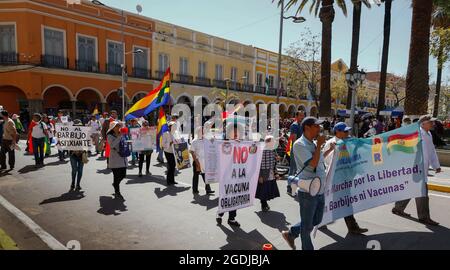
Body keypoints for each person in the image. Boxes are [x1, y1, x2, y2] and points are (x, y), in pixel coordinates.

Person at [282, 117, 326, 250]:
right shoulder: (299, 144)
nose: (319, 129)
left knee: (316, 220)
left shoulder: (312, 143)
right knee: (307, 228)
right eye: (316, 126)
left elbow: (319, 162)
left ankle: (291, 233)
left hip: (319, 189)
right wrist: (319, 145)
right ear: (307, 128)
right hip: (308, 192)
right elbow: (312, 164)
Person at [392, 115, 441, 226]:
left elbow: (431, 151)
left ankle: (398, 208)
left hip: (421, 169)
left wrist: (436, 165)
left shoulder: (428, 134)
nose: (433, 124)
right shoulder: (415, 134)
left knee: (412, 189)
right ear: (423, 123)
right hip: (415, 169)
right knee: (423, 193)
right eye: (430, 122)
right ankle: (424, 217)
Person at [323, 122, 369, 234]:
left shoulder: (348, 142)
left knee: (345, 202)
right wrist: (335, 150)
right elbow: (326, 161)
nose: (348, 133)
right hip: (335, 179)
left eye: (348, 131)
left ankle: (352, 226)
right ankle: (320, 221)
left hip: (346, 178)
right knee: (332, 202)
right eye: (345, 131)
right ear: (338, 132)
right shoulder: (331, 143)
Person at [216, 124, 242, 227]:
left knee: (235, 197)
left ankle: (232, 218)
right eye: (233, 132)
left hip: (238, 175)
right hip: (226, 176)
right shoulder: (224, 143)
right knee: (226, 196)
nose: (236, 134)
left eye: (237, 132)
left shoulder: (241, 143)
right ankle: (220, 213)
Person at [255, 135, 280, 212]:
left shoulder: (272, 150)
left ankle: (264, 203)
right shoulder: (261, 151)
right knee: (263, 189)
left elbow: (274, 163)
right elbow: (258, 164)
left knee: (268, 188)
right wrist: (260, 175)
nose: (273, 144)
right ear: (268, 143)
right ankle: (263, 203)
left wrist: (276, 173)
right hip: (263, 172)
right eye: (272, 142)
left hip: (270, 172)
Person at [190, 127, 214, 195]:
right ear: (198, 132)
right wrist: (197, 162)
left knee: (205, 176)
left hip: (205, 162)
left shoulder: (206, 140)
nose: (203, 133)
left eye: (203, 131)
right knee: (196, 176)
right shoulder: (194, 141)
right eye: (201, 131)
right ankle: (195, 189)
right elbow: (192, 152)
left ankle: (208, 189)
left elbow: (214, 144)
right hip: (197, 161)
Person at [107, 121, 127, 199]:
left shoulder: (121, 133)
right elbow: (112, 145)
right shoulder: (109, 135)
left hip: (122, 157)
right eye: (117, 126)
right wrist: (119, 136)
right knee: (116, 176)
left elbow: (124, 142)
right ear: (113, 127)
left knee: (123, 175)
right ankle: (117, 191)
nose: (119, 127)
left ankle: (115, 184)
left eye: (119, 126)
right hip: (114, 158)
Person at [287, 110, 306, 195]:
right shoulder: (295, 125)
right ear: (297, 116)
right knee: (293, 169)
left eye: (303, 115)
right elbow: (294, 139)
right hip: (295, 150)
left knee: (297, 170)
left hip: (300, 150)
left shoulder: (301, 125)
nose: (302, 117)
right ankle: (289, 187)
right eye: (301, 115)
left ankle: (293, 187)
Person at [69, 120, 86, 191]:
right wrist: (74, 150)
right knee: (74, 170)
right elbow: (68, 145)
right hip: (73, 155)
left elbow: (88, 144)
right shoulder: (71, 135)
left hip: (82, 154)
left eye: (79, 126)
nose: (78, 127)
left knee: (80, 170)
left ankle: (78, 184)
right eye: (76, 126)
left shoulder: (84, 134)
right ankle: (73, 183)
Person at [162, 121, 178, 186]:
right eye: (172, 126)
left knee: (173, 165)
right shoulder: (166, 133)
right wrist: (170, 143)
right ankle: (168, 180)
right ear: (169, 127)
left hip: (174, 151)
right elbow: (163, 144)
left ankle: (172, 180)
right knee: (171, 166)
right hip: (168, 151)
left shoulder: (176, 133)